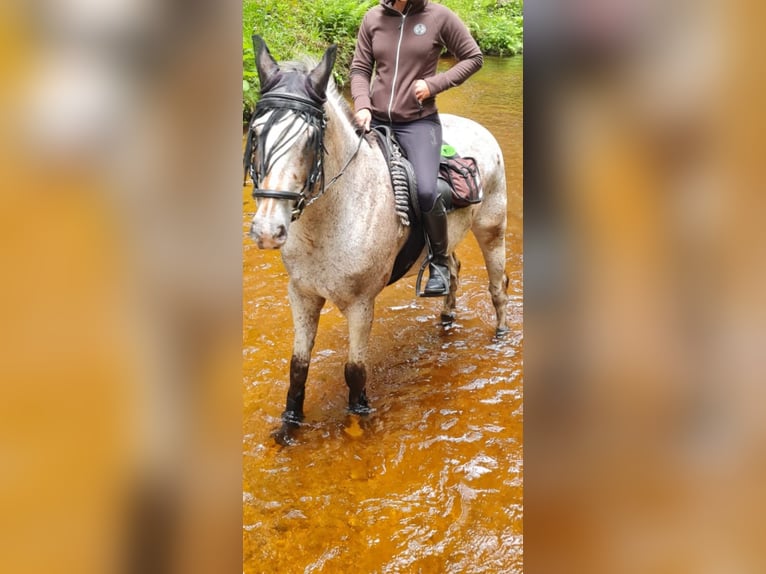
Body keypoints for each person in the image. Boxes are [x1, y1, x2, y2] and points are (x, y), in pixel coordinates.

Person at [350, 0, 483, 296]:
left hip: (418, 124)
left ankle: (439, 264)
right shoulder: (373, 17)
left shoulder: (438, 16)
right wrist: (362, 105)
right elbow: (360, 68)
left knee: (426, 189)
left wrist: (435, 84)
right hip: (375, 120)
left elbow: (473, 57)